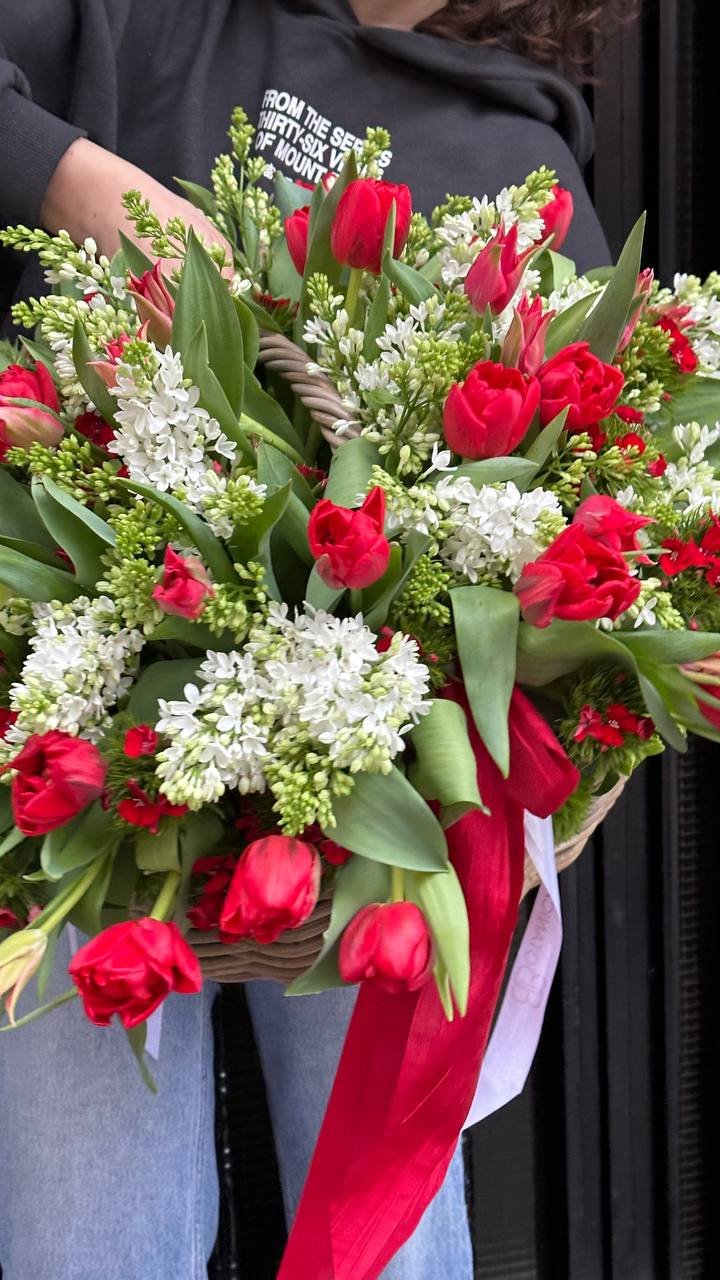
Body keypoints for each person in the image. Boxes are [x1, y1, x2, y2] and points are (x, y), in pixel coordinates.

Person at [0, 3, 634, 1277]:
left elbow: (599, 519)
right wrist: (89, 186)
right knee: (91, 1240)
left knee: (384, 1231)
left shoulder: (522, 162)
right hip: (68, 739)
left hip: (369, 790)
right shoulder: (141, 19)